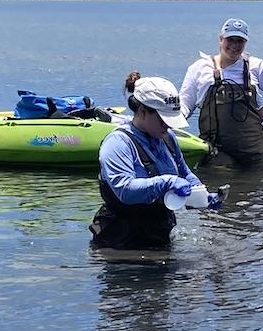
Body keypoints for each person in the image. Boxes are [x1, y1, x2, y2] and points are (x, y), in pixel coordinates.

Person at [90, 72, 221, 251]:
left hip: (159, 235)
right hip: (119, 243)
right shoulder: (118, 143)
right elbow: (124, 190)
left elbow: (184, 173)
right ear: (143, 111)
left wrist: (201, 195)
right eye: (163, 120)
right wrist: (168, 182)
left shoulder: (167, 138)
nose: (168, 125)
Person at [179, 18, 263, 168]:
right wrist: (170, 127)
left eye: (240, 41)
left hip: (252, 150)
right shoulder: (199, 68)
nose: (234, 45)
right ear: (220, 39)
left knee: (255, 188)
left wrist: (258, 116)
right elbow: (185, 104)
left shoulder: (255, 66)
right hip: (214, 148)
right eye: (230, 40)